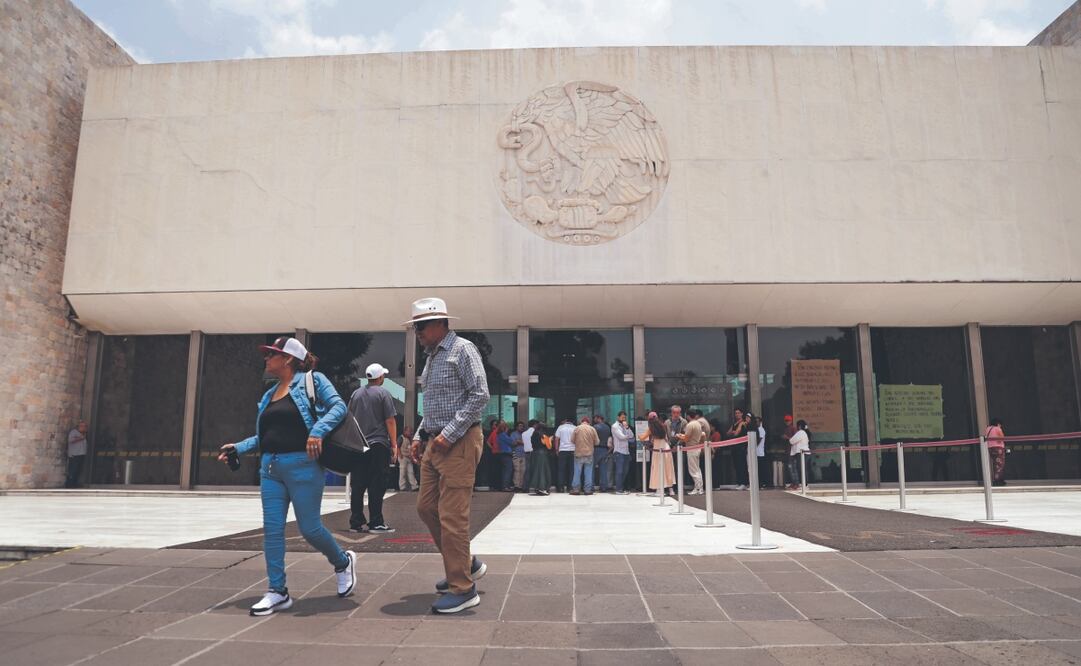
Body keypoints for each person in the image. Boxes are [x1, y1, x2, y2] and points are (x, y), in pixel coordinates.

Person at [219, 337, 356, 616]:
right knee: (272, 530)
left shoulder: (312, 380)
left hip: (303, 465)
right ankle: (277, 591)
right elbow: (265, 436)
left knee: (310, 529)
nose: (266, 358)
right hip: (270, 469)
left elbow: (339, 407)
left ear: (288, 359)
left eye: (272, 354)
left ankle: (342, 562)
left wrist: (318, 430)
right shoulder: (269, 394)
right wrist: (239, 447)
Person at [408, 297, 490, 614]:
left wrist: (448, 434)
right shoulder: (431, 358)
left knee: (452, 517)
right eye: (415, 327)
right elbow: (433, 405)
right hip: (434, 441)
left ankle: (463, 587)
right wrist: (420, 436)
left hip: (458, 442)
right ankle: (464, 562)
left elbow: (480, 395)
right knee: (426, 507)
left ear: (442, 324)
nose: (418, 333)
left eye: (422, 326)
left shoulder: (463, 350)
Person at [348, 363, 398, 533]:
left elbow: (349, 418)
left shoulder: (356, 394)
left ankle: (356, 521)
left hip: (359, 445)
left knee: (358, 484)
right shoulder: (383, 393)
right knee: (377, 483)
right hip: (378, 444)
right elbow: (390, 420)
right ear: (380, 377)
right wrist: (394, 444)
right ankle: (376, 522)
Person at [641, 412, 674, 494]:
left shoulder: (651, 429)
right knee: (668, 469)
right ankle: (671, 490)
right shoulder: (664, 425)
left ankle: (659, 489)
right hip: (666, 448)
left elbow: (642, 438)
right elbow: (667, 438)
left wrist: (638, 436)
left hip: (657, 449)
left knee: (657, 469)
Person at [677, 409, 705, 495]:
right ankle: (700, 488)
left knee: (693, 470)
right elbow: (702, 435)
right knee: (697, 469)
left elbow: (686, 438)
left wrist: (679, 436)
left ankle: (697, 488)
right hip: (697, 447)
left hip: (691, 448)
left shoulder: (690, 425)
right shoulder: (698, 424)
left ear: (688, 416)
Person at [611, 411, 634, 494]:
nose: (624, 419)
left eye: (625, 418)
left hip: (626, 452)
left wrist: (627, 428)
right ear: (618, 417)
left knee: (625, 471)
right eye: (622, 417)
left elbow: (632, 435)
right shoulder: (615, 426)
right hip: (619, 451)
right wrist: (628, 437)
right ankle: (618, 489)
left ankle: (621, 487)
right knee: (619, 471)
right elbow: (621, 437)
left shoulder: (625, 426)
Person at [727, 408, 749, 489]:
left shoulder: (743, 423)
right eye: (736, 413)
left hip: (741, 447)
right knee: (736, 465)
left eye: (738, 413)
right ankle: (739, 482)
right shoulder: (734, 423)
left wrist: (734, 432)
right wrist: (733, 432)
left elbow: (736, 433)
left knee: (741, 465)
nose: (737, 414)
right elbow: (728, 433)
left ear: (742, 414)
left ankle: (744, 483)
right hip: (734, 447)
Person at [553, 417, 577, 493]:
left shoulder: (560, 427)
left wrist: (556, 450)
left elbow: (556, 439)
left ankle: (560, 488)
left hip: (562, 450)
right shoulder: (575, 428)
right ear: (572, 421)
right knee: (572, 470)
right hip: (573, 451)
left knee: (561, 470)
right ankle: (570, 487)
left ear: (566, 421)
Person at [528, 421, 551, 495]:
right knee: (542, 471)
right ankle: (542, 488)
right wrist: (550, 439)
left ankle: (537, 488)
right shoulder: (544, 435)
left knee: (536, 470)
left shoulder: (534, 434)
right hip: (542, 454)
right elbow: (549, 446)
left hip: (534, 453)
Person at [787, 419, 811, 490]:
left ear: (799, 426)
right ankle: (803, 484)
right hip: (803, 453)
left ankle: (805, 484)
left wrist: (789, 438)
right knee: (802, 469)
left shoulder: (801, 432)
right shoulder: (804, 433)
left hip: (802, 453)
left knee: (802, 469)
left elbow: (791, 441)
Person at [592, 414, 613, 491]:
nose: (594, 420)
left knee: (591, 468)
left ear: (598, 418)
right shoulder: (607, 427)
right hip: (605, 449)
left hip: (596, 449)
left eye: (595, 418)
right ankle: (603, 487)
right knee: (603, 469)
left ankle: (591, 486)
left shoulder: (595, 427)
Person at [65, 420, 88, 488]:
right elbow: (70, 440)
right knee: (73, 470)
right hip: (74, 454)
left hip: (81, 454)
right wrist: (80, 438)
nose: (84, 428)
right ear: (79, 426)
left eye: (85, 426)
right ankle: (69, 484)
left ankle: (75, 483)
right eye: (83, 426)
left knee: (78, 470)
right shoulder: (73, 432)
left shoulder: (84, 433)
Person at [986, 418, 1007, 486]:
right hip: (998, 448)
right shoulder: (997, 428)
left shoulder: (988, 429)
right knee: (1000, 464)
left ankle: (996, 479)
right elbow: (1002, 437)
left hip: (990, 448)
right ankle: (998, 480)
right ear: (998, 423)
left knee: (995, 463)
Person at [749, 414, 768, 488]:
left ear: (760, 422)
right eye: (755, 421)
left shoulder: (761, 429)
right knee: (757, 469)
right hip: (756, 452)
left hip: (759, 452)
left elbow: (759, 440)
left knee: (760, 469)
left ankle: (761, 484)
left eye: (757, 421)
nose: (756, 423)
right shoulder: (756, 429)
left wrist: (753, 447)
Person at [496, 422, 514, 492]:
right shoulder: (503, 435)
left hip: (502, 454)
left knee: (505, 471)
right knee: (508, 471)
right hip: (506, 454)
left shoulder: (499, 435)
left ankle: (505, 486)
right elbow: (511, 442)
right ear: (505, 428)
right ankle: (505, 486)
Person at [399, 425, 418, 491]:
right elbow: (397, 446)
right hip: (403, 457)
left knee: (411, 472)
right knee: (402, 472)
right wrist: (400, 454)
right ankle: (402, 487)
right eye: (409, 431)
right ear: (405, 431)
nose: (410, 433)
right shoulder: (401, 438)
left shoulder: (409, 439)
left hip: (408, 457)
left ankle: (414, 486)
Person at [511, 421, 527, 491]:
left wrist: (519, 442)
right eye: (520, 426)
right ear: (517, 427)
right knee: (517, 470)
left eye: (522, 426)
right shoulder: (513, 434)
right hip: (516, 454)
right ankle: (516, 486)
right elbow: (513, 443)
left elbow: (526, 443)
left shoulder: (524, 434)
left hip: (524, 454)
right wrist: (519, 442)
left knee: (523, 470)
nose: (521, 427)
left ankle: (521, 486)